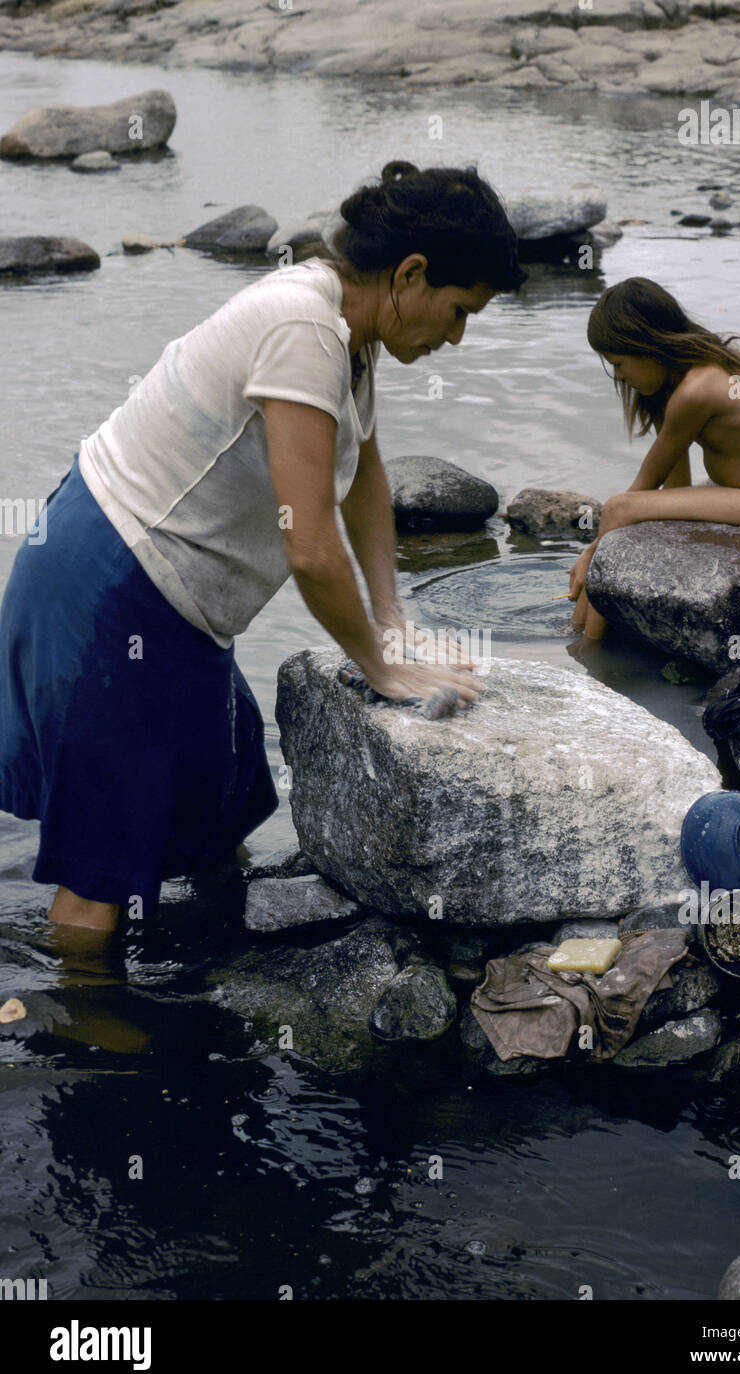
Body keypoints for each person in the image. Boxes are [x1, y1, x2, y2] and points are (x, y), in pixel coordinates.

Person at [0, 159, 525, 944]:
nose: (455, 335)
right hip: (111, 580)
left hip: (182, 603)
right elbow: (310, 547)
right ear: (409, 273)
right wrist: (381, 671)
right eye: (457, 311)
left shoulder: (350, 331)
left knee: (217, 808)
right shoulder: (303, 326)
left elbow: (363, 480)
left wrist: (390, 618)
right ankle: (86, 1039)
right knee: (100, 870)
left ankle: (208, 980)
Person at [569, 277, 740, 638]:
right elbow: (676, 485)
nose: (618, 375)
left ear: (647, 345)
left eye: (619, 363)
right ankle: (583, 627)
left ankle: (585, 644)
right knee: (628, 515)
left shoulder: (699, 389)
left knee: (619, 509)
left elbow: (639, 493)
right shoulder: (671, 384)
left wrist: (591, 554)